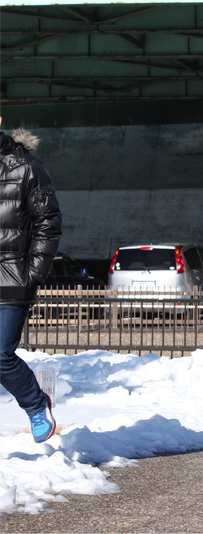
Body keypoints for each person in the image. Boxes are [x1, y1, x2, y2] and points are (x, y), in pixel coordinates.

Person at [0, 117, 62, 443]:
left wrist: (34, 272)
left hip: (13, 277)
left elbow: (48, 222)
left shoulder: (26, 167)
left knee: (1, 355)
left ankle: (36, 405)